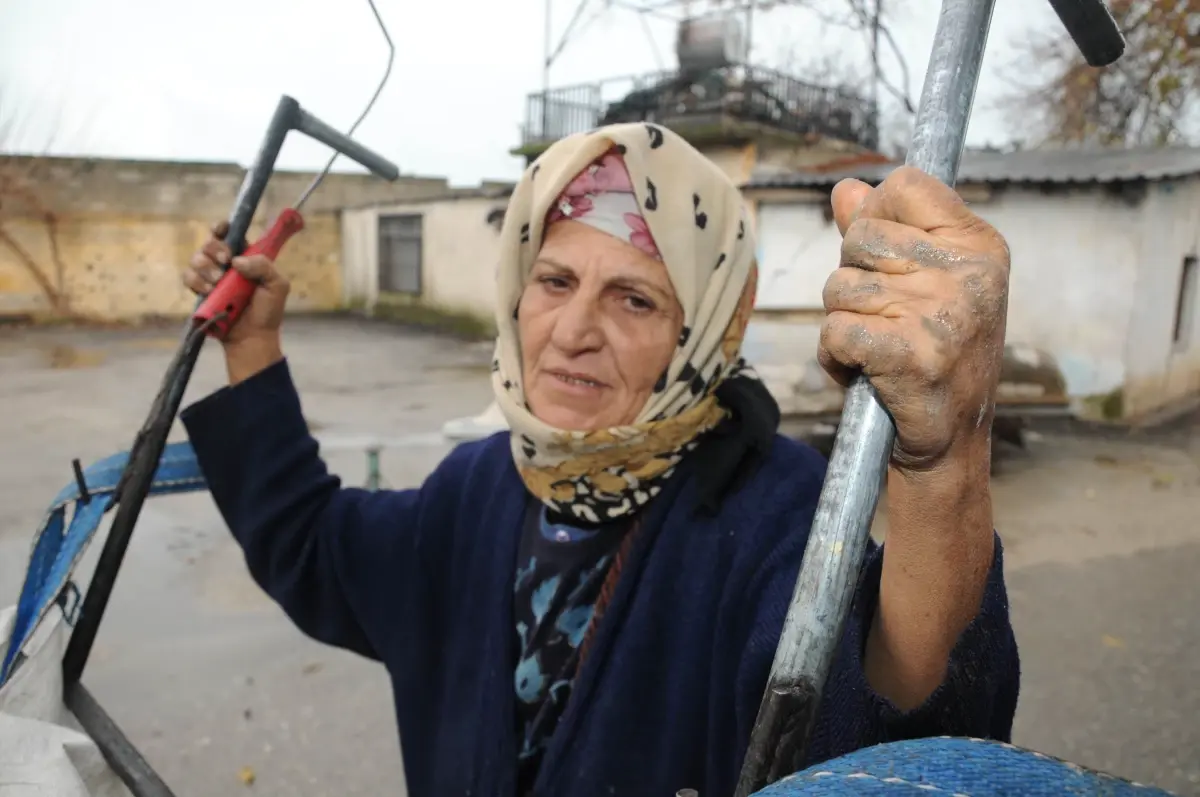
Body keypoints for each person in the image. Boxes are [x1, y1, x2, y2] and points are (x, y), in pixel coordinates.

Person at [180, 122, 1019, 797]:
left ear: (703, 332)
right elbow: (314, 549)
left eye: (633, 297)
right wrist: (252, 347)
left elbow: (892, 751)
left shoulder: (774, 513)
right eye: (553, 280)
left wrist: (945, 460)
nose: (573, 330)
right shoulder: (478, 488)